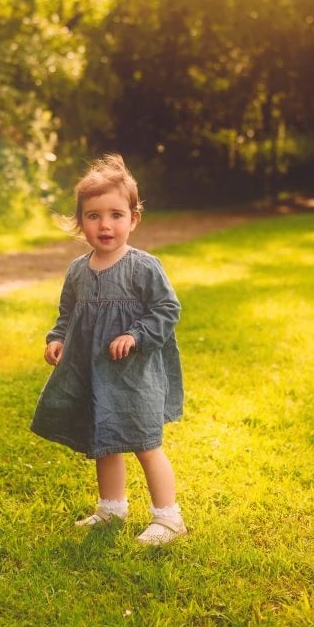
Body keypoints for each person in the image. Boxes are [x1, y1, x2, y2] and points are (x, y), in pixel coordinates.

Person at [30, 154, 187, 545]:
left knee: (146, 444)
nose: (105, 225)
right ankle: (112, 508)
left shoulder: (143, 267)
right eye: (93, 216)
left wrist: (135, 335)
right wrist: (56, 339)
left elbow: (167, 309)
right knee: (105, 439)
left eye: (116, 215)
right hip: (95, 374)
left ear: (133, 219)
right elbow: (67, 314)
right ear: (79, 221)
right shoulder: (78, 271)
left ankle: (169, 518)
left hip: (135, 376)